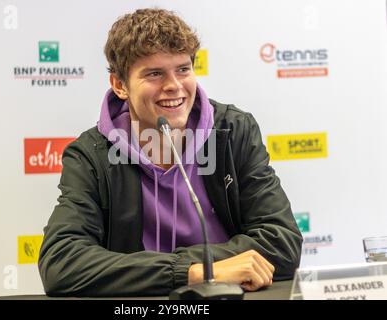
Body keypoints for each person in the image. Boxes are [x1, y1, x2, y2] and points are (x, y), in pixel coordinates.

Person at [38, 8, 302, 297]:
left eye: (183, 69)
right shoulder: (92, 155)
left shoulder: (233, 132)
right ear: (120, 85)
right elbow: (61, 262)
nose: (174, 86)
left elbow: (282, 242)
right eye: (154, 74)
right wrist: (194, 272)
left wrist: (189, 270)